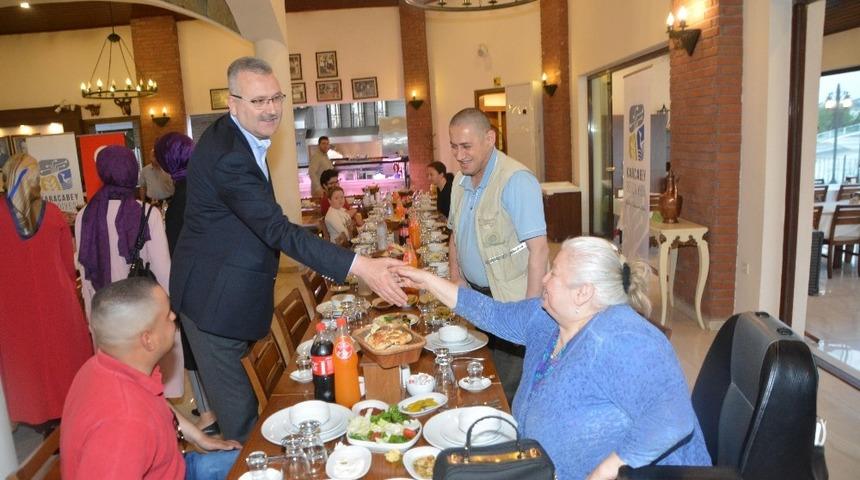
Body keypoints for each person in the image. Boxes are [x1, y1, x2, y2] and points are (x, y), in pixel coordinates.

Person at [170, 56, 405, 442]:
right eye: (258, 101)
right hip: (214, 303)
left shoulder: (240, 139)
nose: (271, 109)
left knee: (257, 410)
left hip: (229, 289)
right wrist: (360, 266)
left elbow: (266, 224)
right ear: (232, 103)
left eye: (275, 98)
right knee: (246, 428)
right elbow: (276, 230)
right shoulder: (229, 155)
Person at [394, 237, 711, 479]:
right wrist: (427, 281)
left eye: (554, 274)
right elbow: (491, 312)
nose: (543, 280)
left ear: (583, 293)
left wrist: (606, 471)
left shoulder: (620, 337)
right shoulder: (547, 320)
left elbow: (674, 417)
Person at [61, 277, 241, 479]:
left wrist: (197, 436)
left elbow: (153, 398)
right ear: (148, 339)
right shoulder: (124, 425)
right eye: (166, 315)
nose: (173, 316)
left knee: (264, 460)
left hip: (176, 467)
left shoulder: (101, 365)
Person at [446, 107, 549, 401]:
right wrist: (457, 283)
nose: (459, 154)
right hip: (476, 299)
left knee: (506, 389)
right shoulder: (459, 181)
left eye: (466, 146)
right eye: (454, 146)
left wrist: (529, 313)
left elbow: (538, 250)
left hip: (510, 302)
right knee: (476, 378)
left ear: (490, 139)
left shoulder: (516, 180)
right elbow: (455, 236)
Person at [75, 145, 184, 399]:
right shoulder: (147, 213)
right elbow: (163, 270)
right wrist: (172, 311)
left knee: (118, 387)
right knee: (149, 383)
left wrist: (92, 318)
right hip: (141, 314)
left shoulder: (84, 216)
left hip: (106, 315)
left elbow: (85, 270)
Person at [0, 154, 93, 428]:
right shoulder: (52, 214)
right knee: (62, 355)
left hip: (12, 302)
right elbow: (67, 263)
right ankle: (67, 409)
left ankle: (26, 414)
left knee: (22, 361)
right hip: (57, 298)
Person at [153, 132, 219, 434]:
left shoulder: (180, 200)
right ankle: (215, 403)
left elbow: (176, 253)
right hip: (217, 282)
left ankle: (209, 414)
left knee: (195, 351)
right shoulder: (205, 186)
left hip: (195, 289)